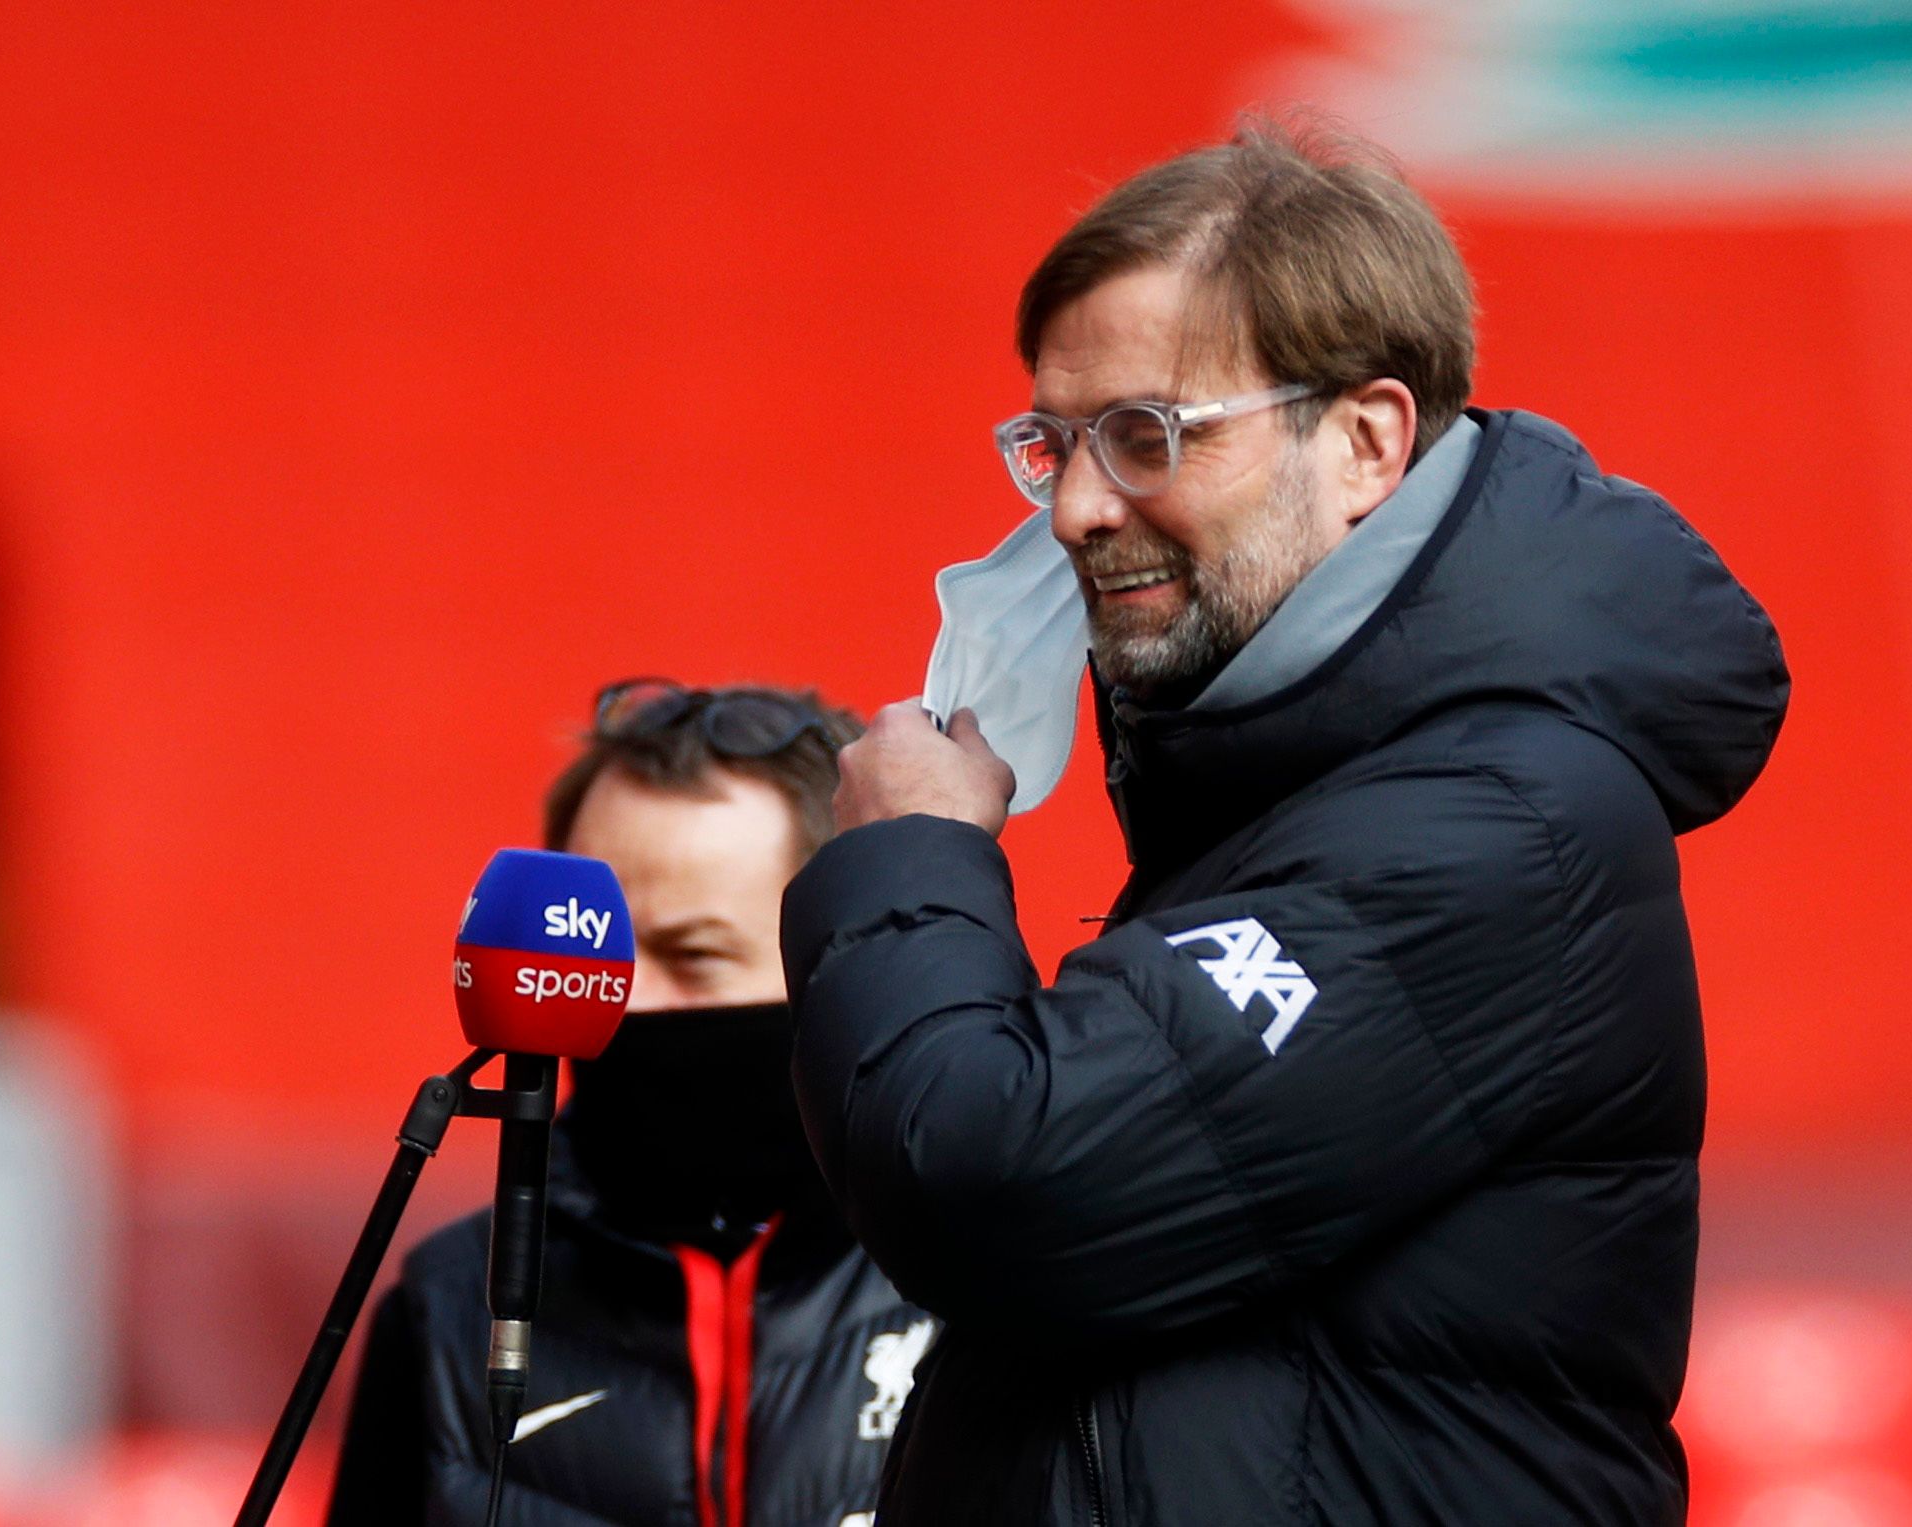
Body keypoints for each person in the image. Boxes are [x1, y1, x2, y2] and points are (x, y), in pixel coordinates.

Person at [778, 124, 1789, 1525]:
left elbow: (994, 1174)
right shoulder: (1307, 775)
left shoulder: (1496, 827)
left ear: (1364, 443)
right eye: (1051, 444)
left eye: (1146, 437)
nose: (1075, 509)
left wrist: (905, 857)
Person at [329, 681, 931, 1527]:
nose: (624, 998)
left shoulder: (985, 1281)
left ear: (841, 959)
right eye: (595, 954)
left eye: (692, 954)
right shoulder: (449, 1310)